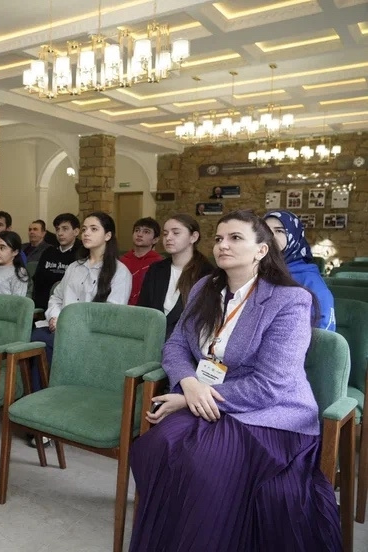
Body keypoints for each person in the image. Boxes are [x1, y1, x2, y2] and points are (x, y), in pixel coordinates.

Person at [129, 210, 341, 552]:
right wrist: (188, 383)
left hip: (270, 413)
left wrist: (189, 398)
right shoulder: (205, 287)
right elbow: (176, 345)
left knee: (201, 463)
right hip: (207, 397)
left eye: (235, 238)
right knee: (155, 446)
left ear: (261, 250)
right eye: (218, 238)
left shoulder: (290, 299)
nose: (222, 245)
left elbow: (271, 384)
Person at [31, 212, 131, 390]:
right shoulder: (74, 267)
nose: (86, 233)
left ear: (108, 235)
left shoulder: (119, 271)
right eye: (84, 229)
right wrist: (55, 317)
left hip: (92, 335)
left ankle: (51, 393)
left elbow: (112, 314)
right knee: (34, 338)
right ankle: (35, 393)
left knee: (45, 344)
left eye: (94, 229)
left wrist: (69, 324)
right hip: (61, 328)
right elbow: (56, 297)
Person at [138, 215, 213, 339]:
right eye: (165, 234)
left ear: (193, 237)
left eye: (176, 233)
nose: (168, 238)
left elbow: (205, 319)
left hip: (186, 341)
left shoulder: (206, 274)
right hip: (152, 338)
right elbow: (143, 309)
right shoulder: (156, 269)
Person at [265, 210, 335, 330]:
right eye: (266, 231)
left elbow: (325, 327)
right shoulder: (257, 271)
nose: (271, 237)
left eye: (279, 231)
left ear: (293, 235)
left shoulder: (309, 279)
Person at [31, 213, 81, 310]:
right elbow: (37, 280)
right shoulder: (48, 252)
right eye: (57, 229)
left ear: (76, 231)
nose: (60, 233)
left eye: (65, 229)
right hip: (43, 306)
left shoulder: (82, 254)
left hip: (68, 307)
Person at [120, 217, 163, 305]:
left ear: (155, 239)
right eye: (137, 230)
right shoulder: (122, 261)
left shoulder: (159, 263)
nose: (139, 234)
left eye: (146, 232)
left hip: (148, 308)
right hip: (123, 307)